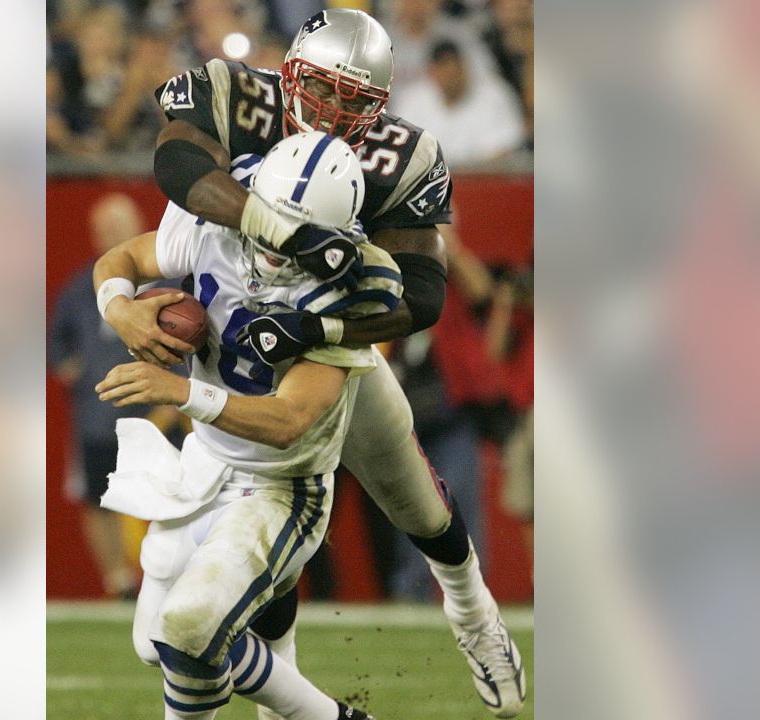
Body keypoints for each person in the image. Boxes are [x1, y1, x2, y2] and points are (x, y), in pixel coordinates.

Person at [144, 8, 526, 717]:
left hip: (328, 344)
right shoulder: (237, 94)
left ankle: (473, 613)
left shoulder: (401, 155)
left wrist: (311, 325)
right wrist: (269, 223)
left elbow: (421, 293)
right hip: (238, 327)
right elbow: (175, 160)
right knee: (250, 545)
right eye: (322, 88)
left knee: (414, 498)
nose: (331, 110)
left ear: (379, 107)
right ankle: (283, 685)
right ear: (288, 73)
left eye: (354, 101)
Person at [93, 132, 395, 720]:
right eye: (273, 225)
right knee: (155, 642)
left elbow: (290, 420)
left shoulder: (342, 289)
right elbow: (122, 259)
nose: (279, 249)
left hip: (280, 487)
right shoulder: (215, 224)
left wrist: (181, 390)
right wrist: (121, 309)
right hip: (205, 462)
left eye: (300, 236)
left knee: (188, 627)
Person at [48, 194, 184, 598]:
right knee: (98, 497)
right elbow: (57, 340)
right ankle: (119, 580)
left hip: (160, 409)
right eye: (103, 228)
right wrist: (68, 365)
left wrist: (175, 396)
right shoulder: (79, 286)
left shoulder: (172, 282)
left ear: (138, 225)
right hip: (99, 413)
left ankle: (169, 574)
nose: (110, 235)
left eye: (118, 226)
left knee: (171, 496)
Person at [391, 39, 526, 168]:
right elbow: (399, 150)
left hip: (483, 183)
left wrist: (461, 174)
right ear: (432, 72)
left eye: (453, 70)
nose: (449, 76)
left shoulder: (495, 95)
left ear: (464, 68)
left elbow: (507, 150)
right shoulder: (412, 99)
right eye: (442, 69)